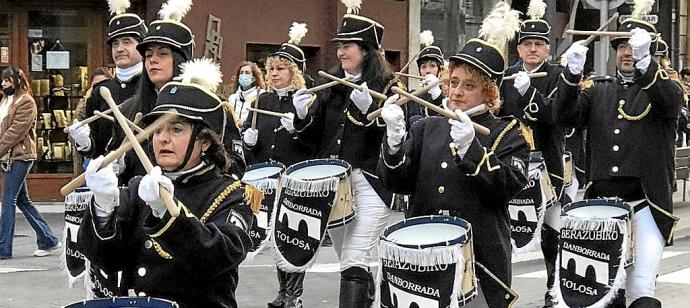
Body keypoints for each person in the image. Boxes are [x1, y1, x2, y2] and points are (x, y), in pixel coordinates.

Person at [377, 3, 529, 307]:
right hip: (425, 253)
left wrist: (471, 149)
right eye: (454, 83)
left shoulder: (508, 132)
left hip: (481, 259)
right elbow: (397, 182)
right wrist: (394, 141)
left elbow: (507, 187)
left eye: (469, 86)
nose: (457, 92)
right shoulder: (426, 127)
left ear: (489, 94)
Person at [78, 59, 257, 308]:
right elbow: (107, 260)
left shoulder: (232, 194)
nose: (162, 139)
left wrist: (167, 214)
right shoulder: (138, 187)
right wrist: (103, 207)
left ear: (204, 141)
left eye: (176, 129)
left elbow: (218, 256)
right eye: (158, 130)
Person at [557, 11, 682, 306]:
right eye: (622, 47)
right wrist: (570, 77)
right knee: (597, 293)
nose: (627, 53)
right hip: (601, 209)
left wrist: (646, 64)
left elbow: (670, 103)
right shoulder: (598, 90)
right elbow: (563, 116)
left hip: (646, 207)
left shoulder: (662, 88)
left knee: (640, 287)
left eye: (633, 47)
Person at [290, 1, 393, 306]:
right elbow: (312, 140)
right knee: (348, 260)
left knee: (353, 255)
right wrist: (300, 117)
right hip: (333, 187)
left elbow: (396, 141)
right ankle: (369, 294)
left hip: (370, 183)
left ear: (367, 50)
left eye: (348, 46)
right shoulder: (329, 85)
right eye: (339, 46)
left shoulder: (388, 86)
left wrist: (372, 109)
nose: (340, 52)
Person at [496, 1, 565, 305]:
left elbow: (557, 114)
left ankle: (553, 283)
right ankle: (501, 285)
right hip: (515, 161)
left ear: (547, 49)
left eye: (539, 44)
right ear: (519, 48)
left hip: (548, 161)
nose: (533, 50)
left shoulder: (558, 76)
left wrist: (530, 93)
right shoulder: (506, 75)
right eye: (527, 44)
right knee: (506, 226)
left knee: (552, 225)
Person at [242, 22, 313, 308]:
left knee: (293, 238)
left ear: (294, 72)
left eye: (280, 69)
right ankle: (283, 292)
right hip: (266, 181)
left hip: (294, 179)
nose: (273, 74)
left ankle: (293, 295)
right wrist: (249, 141)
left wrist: (298, 127)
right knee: (272, 237)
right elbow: (251, 146)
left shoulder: (307, 100)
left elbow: (314, 145)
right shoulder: (262, 99)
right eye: (271, 69)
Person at [68, 0, 147, 161]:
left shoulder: (153, 86)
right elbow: (95, 146)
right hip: (107, 178)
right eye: (115, 44)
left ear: (142, 46)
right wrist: (85, 142)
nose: (119, 49)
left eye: (127, 42)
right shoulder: (100, 92)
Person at [0, 67, 61, 260]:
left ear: (17, 81)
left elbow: (15, 132)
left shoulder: (26, 101)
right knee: (22, 200)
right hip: (8, 156)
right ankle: (48, 239)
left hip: (20, 156)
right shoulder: (5, 100)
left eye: (7, 80)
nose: (3, 84)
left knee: (8, 200)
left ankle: (3, 248)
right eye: (2, 80)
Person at [405, 30, 446, 125]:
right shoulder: (412, 96)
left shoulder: (449, 95)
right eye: (423, 67)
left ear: (440, 69)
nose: (427, 70)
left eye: (432, 66)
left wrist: (438, 96)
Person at [229, 61, 266, 128]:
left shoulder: (261, 95)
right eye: (241, 73)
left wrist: (244, 124)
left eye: (247, 73)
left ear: (254, 78)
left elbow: (262, 122)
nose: (243, 75)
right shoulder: (232, 98)